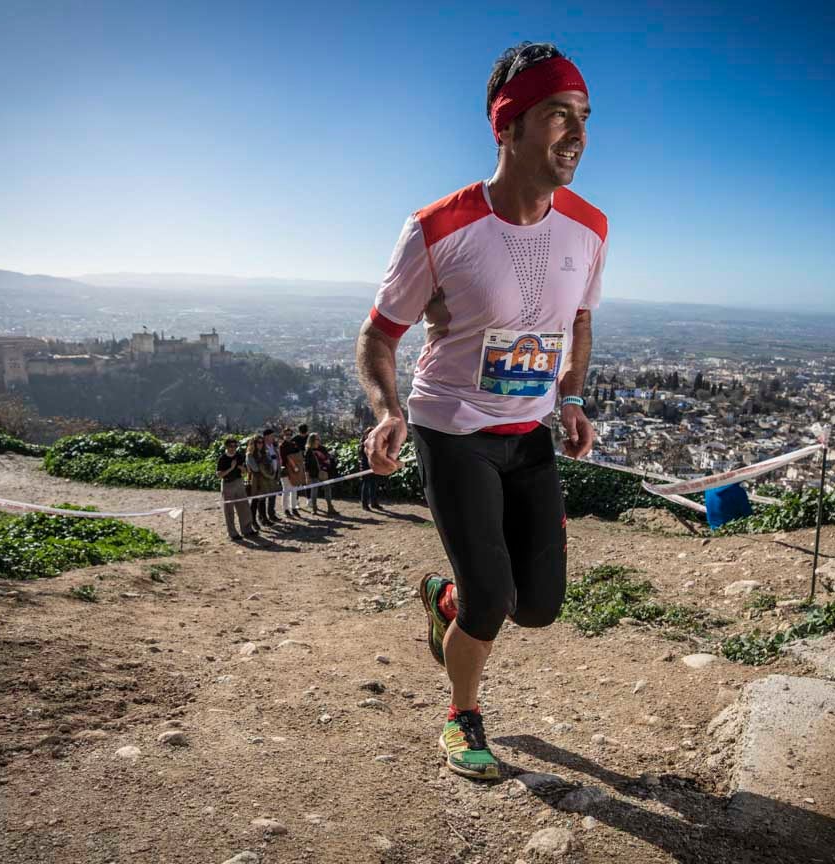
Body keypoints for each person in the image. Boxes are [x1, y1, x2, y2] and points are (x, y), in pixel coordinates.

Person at [355, 42, 603, 780]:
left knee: (542, 606)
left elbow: (580, 321)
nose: (577, 134)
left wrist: (574, 398)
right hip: (451, 429)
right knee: (495, 602)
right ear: (507, 127)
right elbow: (379, 333)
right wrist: (387, 409)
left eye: (584, 117)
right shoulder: (438, 226)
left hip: (527, 435)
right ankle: (463, 711)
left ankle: (448, 600)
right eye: (558, 116)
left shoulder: (590, 227)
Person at [216, 435, 257, 540]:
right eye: (231, 445)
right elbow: (219, 475)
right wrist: (231, 468)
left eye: (235, 445)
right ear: (226, 446)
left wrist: (242, 468)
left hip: (239, 482)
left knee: (244, 507)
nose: (233, 447)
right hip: (227, 484)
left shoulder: (239, 456)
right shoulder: (222, 458)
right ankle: (233, 533)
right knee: (229, 510)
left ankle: (247, 530)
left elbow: (245, 471)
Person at [245, 433, 279, 527]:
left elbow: (270, 464)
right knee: (255, 501)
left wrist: (266, 467)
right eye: (258, 442)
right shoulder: (250, 455)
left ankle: (263, 518)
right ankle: (253, 520)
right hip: (256, 480)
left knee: (263, 499)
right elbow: (255, 468)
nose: (260, 444)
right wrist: (264, 465)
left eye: (262, 442)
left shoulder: (264, 453)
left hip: (265, 478)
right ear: (254, 443)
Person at [304, 432, 338, 515]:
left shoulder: (323, 448)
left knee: (327, 490)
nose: (319, 440)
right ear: (312, 440)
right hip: (313, 473)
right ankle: (314, 508)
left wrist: (327, 463)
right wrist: (307, 476)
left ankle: (330, 507)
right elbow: (306, 465)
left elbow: (328, 459)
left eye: (319, 439)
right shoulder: (308, 451)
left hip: (324, 472)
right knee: (314, 491)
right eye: (317, 439)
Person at [279, 425, 306, 517]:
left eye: (290, 434)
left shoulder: (294, 444)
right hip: (285, 470)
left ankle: (294, 508)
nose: (288, 436)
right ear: (283, 435)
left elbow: (299, 455)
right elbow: (283, 459)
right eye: (286, 434)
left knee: (294, 490)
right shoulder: (281, 446)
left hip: (294, 470)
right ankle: (286, 509)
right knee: (286, 490)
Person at [358, 426, 381, 511]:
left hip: (373, 466)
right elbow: (364, 457)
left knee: (374, 485)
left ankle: (374, 503)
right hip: (366, 467)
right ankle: (365, 504)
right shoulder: (364, 444)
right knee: (366, 485)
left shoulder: (375, 442)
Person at [262, 428, 283, 522]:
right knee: (263, 497)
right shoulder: (262, 447)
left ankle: (272, 514)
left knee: (273, 495)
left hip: (275, 474)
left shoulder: (274, 447)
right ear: (266, 436)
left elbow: (278, 459)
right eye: (272, 436)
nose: (273, 438)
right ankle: (263, 517)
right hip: (266, 475)